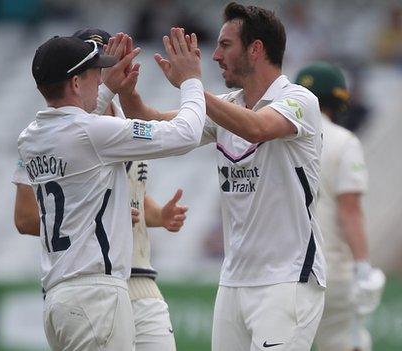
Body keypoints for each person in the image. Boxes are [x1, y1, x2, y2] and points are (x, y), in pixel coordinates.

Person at [117, 3, 326, 350]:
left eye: (226, 45)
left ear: (256, 49)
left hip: (288, 279)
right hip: (234, 281)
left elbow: (258, 128)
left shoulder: (299, 100)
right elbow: (153, 125)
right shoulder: (229, 104)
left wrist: (193, 86)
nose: (215, 56)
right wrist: (127, 92)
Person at [17, 29, 205, 350]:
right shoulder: (93, 131)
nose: (101, 80)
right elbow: (186, 134)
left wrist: (107, 90)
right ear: (76, 83)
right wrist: (191, 81)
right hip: (96, 295)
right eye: (95, 74)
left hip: (60, 297)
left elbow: (75, 125)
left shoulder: (31, 136)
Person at [295, 62, 386, 351]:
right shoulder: (344, 142)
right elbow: (350, 209)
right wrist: (363, 268)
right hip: (331, 271)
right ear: (338, 100)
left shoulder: (278, 137)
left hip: (285, 271)